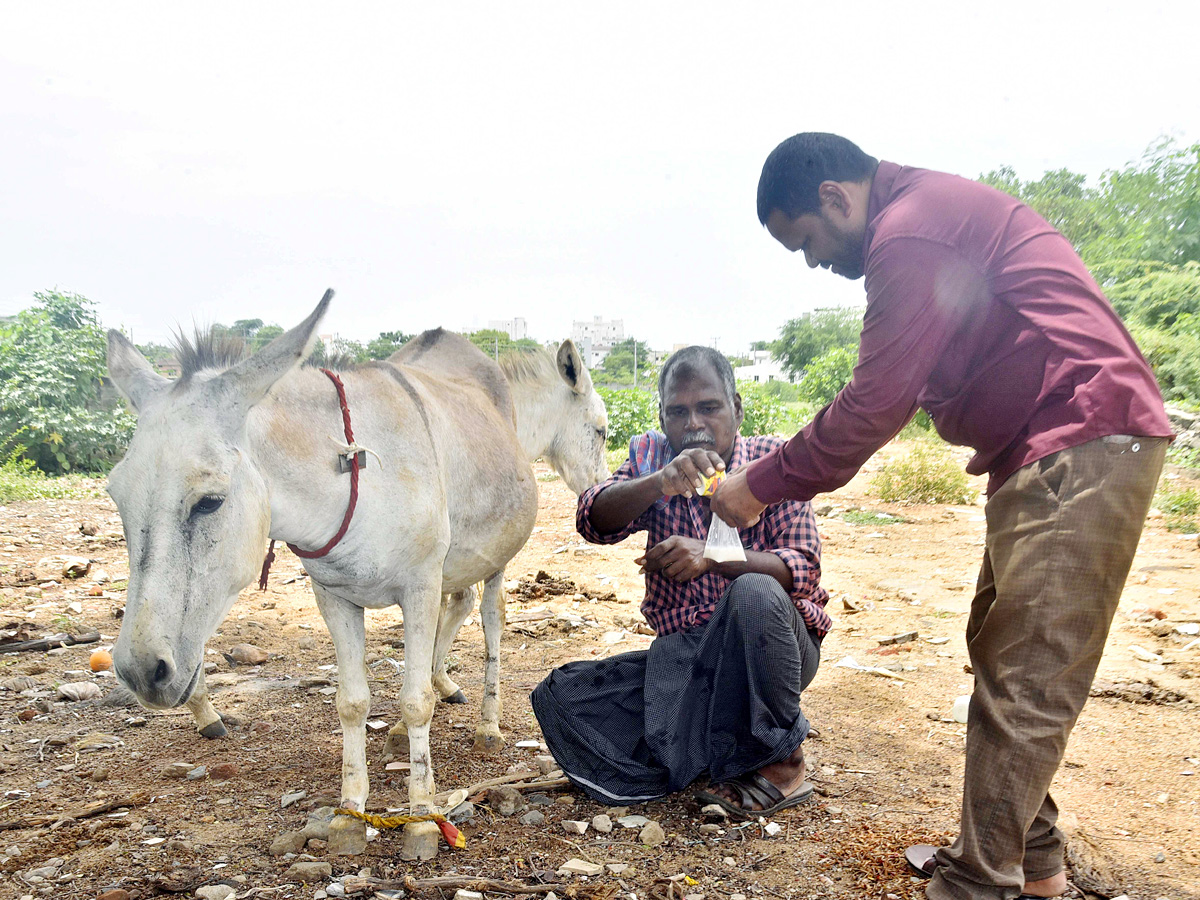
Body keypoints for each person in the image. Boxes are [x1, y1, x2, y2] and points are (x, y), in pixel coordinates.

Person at [711, 133, 1173, 900]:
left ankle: (977, 885)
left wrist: (761, 483)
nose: (812, 261)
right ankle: (1033, 863)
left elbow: (875, 402)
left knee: (1026, 674)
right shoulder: (921, 216)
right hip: (1042, 447)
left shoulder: (910, 229)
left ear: (834, 196)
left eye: (808, 241)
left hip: (1082, 433)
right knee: (1002, 651)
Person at [531, 347, 830, 816]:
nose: (693, 423)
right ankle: (714, 750)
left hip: (773, 652)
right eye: (678, 411)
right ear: (662, 416)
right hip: (688, 658)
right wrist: (656, 483)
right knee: (564, 696)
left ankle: (782, 764)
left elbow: (802, 568)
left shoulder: (773, 461)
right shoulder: (653, 456)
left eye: (708, 407)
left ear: (736, 408)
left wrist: (714, 558)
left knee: (752, 592)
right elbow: (592, 520)